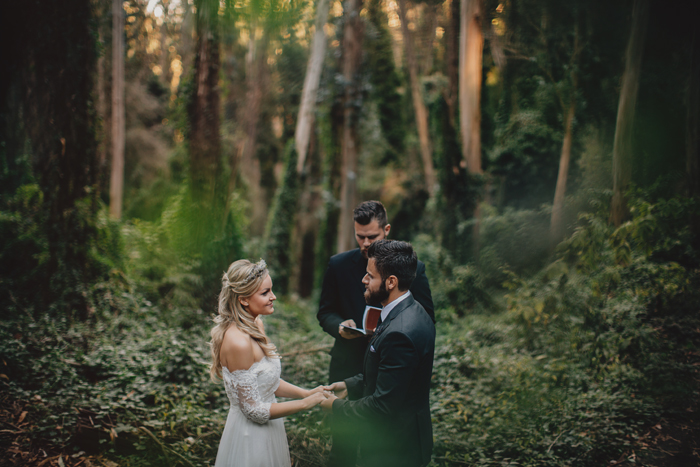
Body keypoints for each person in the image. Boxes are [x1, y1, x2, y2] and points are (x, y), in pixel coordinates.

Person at [317, 200, 434, 467]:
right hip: (351, 366)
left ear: (387, 230)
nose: (366, 242)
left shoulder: (405, 321)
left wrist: (393, 333)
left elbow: (422, 323)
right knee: (344, 450)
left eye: (373, 236)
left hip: (394, 373)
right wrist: (339, 327)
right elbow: (325, 311)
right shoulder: (338, 265)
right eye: (361, 237)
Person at [210, 259, 331, 467]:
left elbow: (267, 381)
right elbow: (253, 410)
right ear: (244, 300)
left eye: (271, 290)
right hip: (250, 438)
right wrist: (304, 405)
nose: (273, 297)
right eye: (265, 293)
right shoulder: (239, 343)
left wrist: (307, 392)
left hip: (271, 430)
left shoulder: (256, 324)